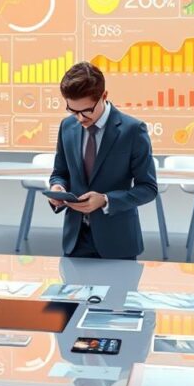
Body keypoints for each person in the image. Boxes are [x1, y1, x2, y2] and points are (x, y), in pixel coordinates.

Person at [48, 62, 158, 259]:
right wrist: (57, 189)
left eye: (86, 111)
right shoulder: (67, 126)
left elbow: (148, 188)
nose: (80, 118)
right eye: (72, 111)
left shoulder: (133, 130)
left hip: (118, 241)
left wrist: (106, 200)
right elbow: (60, 173)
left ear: (104, 96)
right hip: (75, 241)